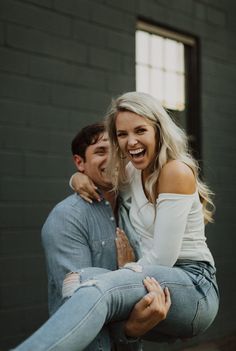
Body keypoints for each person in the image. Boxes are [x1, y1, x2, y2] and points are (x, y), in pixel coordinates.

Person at [13, 92, 219, 351]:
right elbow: (103, 176)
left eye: (140, 130)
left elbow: (163, 258)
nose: (131, 141)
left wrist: (129, 269)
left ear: (158, 130)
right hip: (154, 282)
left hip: (192, 284)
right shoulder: (134, 171)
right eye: (122, 134)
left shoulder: (174, 171)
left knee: (97, 287)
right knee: (78, 279)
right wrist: (77, 179)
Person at [40, 123, 171, 351]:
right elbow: (77, 305)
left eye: (116, 151)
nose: (112, 159)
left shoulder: (133, 209)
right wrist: (127, 274)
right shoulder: (67, 218)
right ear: (79, 162)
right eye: (101, 151)